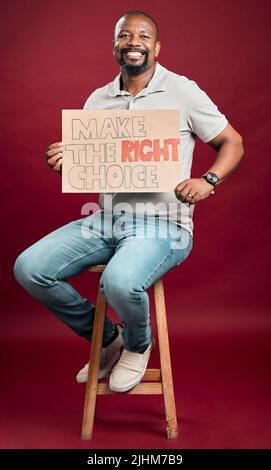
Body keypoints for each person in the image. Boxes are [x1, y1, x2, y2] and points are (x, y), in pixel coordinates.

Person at [14, 10, 244, 393]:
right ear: (115, 45)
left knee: (118, 281)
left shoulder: (183, 91)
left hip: (165, 224)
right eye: (125, 35)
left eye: (142, 36)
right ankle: (107, 341)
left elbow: (232, 142)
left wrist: (209, 179)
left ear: (156, 46)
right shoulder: (98, 100)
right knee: (30, 268)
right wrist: (67, 165)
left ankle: (138, 346)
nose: (133, 41)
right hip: (107, 219)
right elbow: (95, 166)